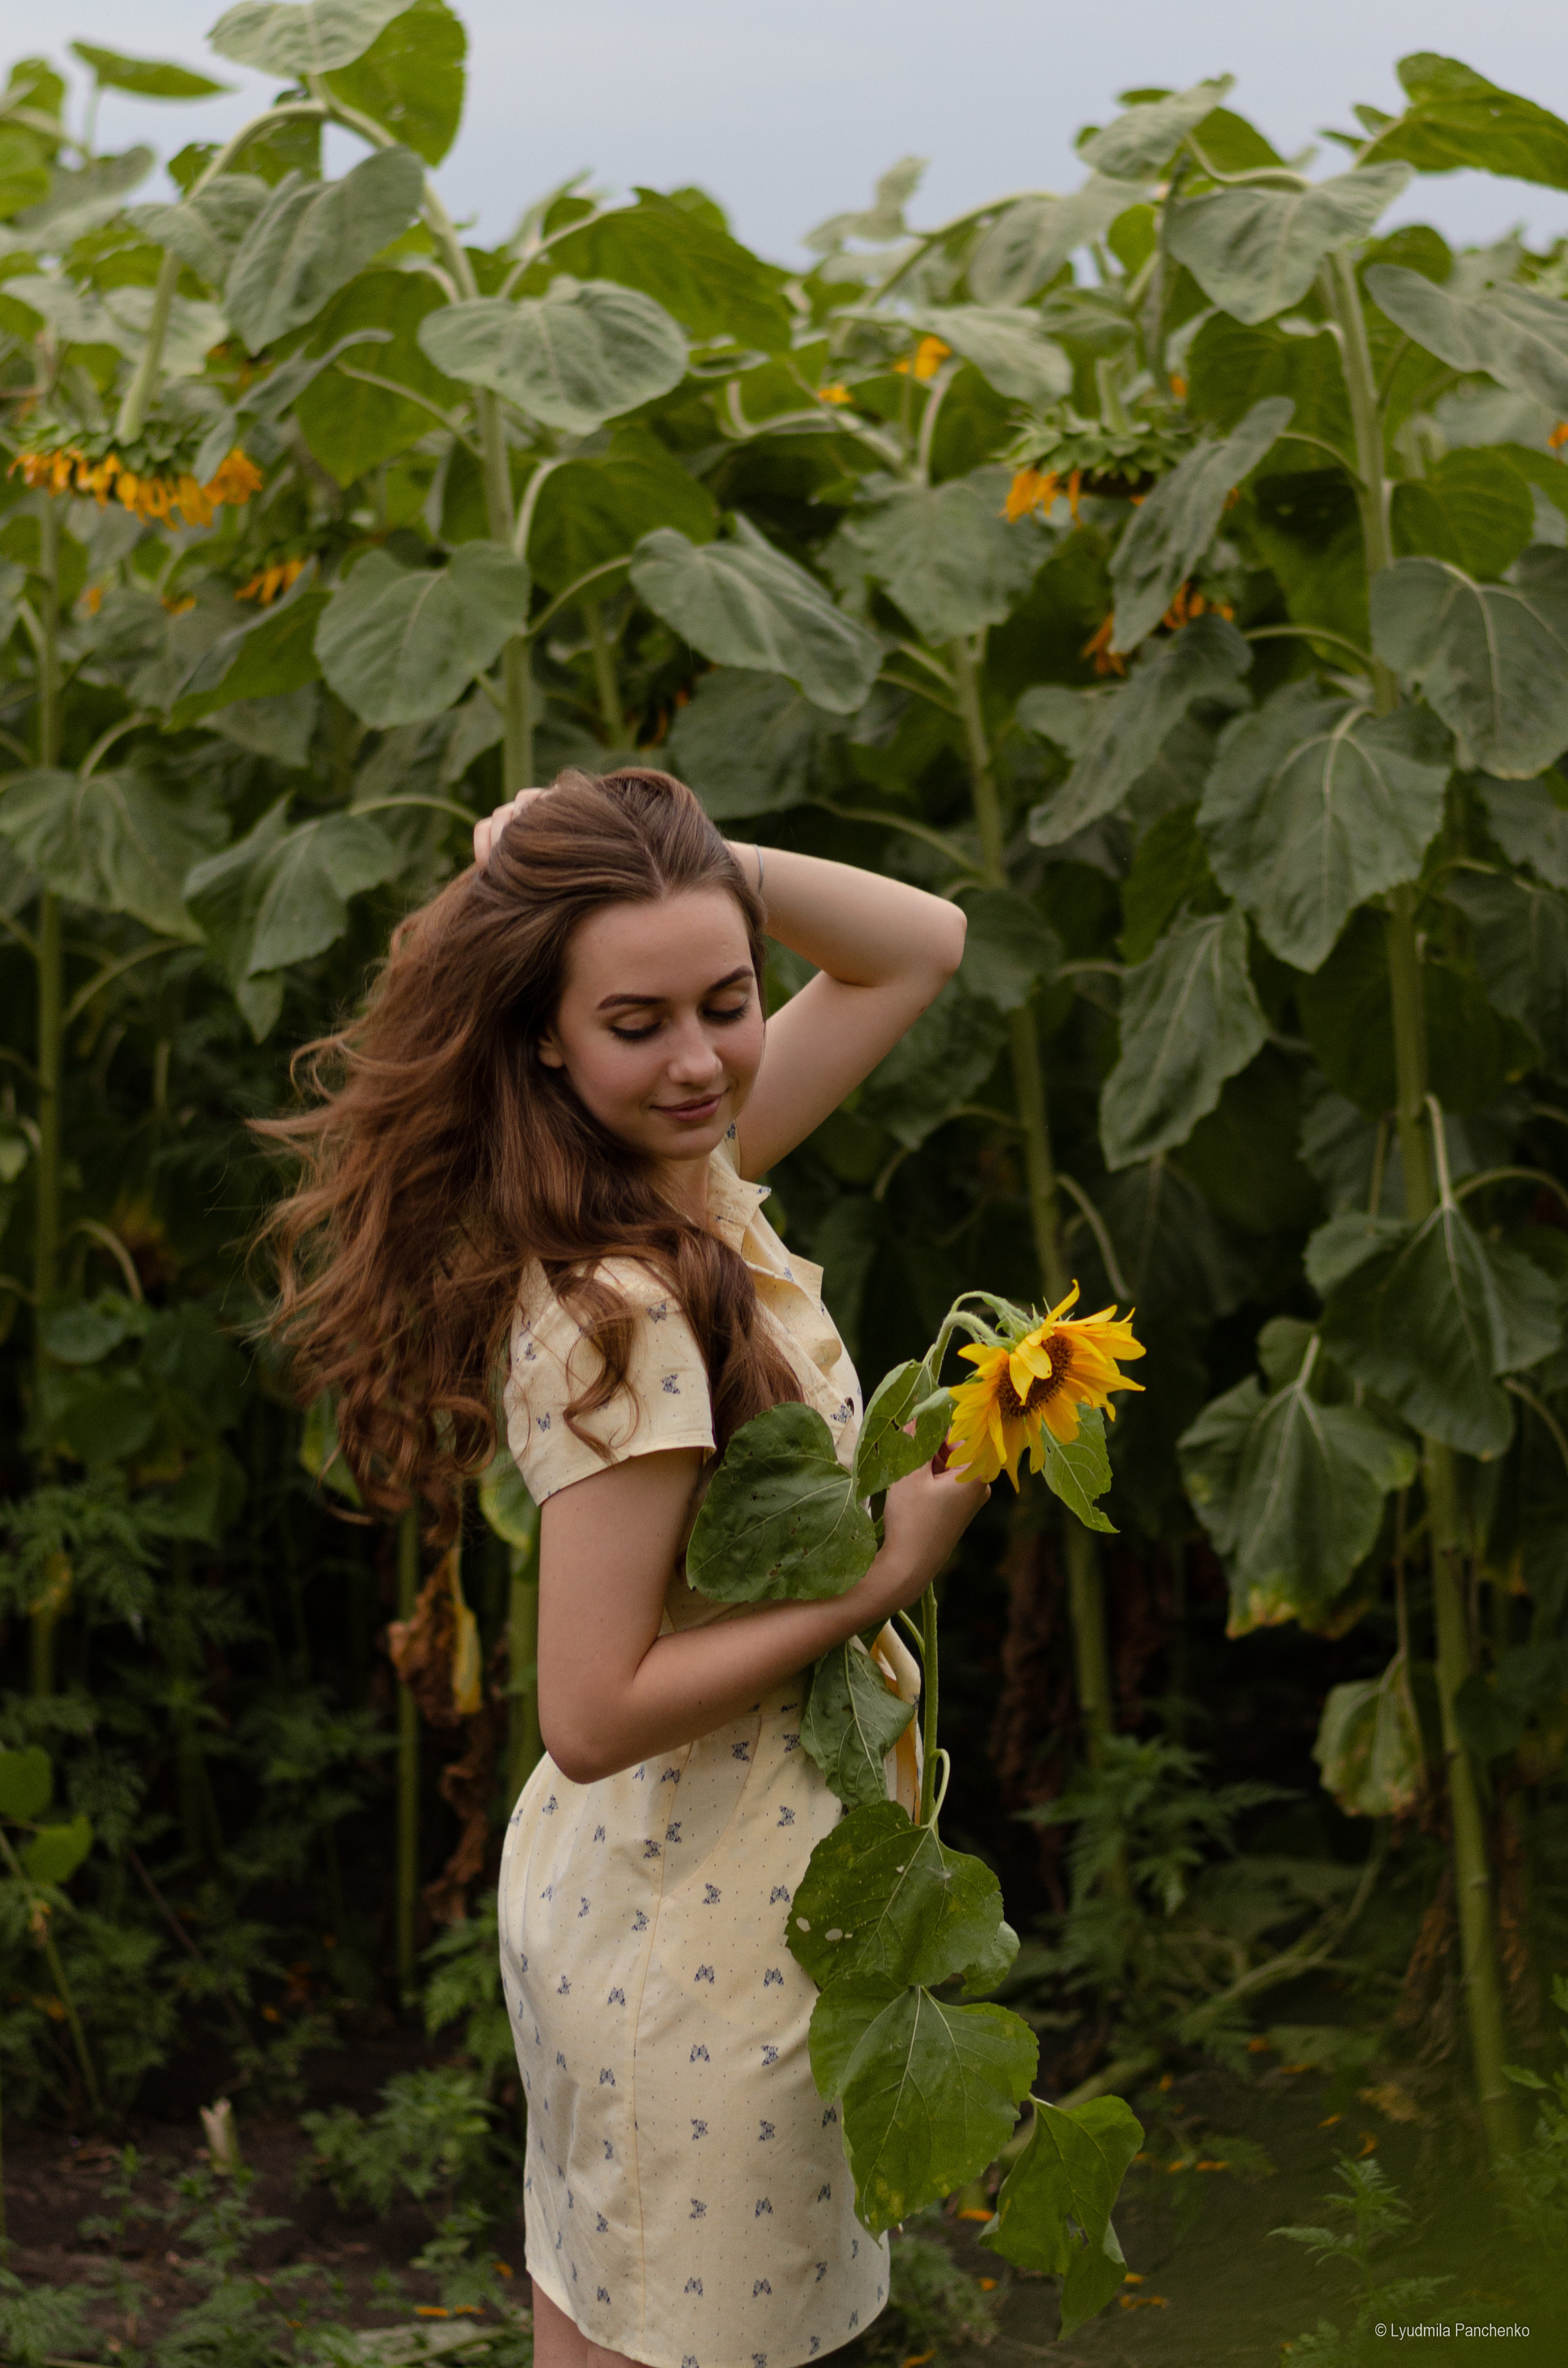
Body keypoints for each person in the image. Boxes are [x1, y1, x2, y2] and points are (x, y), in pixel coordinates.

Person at [258, 766, 989, 2368]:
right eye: (636, 1021)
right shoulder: (631, 1308)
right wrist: (881, 1578)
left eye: (728, 1000)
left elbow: (921, 943)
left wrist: (646, 856)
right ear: (545, 1035)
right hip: (703, 1947)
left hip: (691, 1893)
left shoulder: (681, 1183)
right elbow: (590, 1709)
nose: (702, 1058)